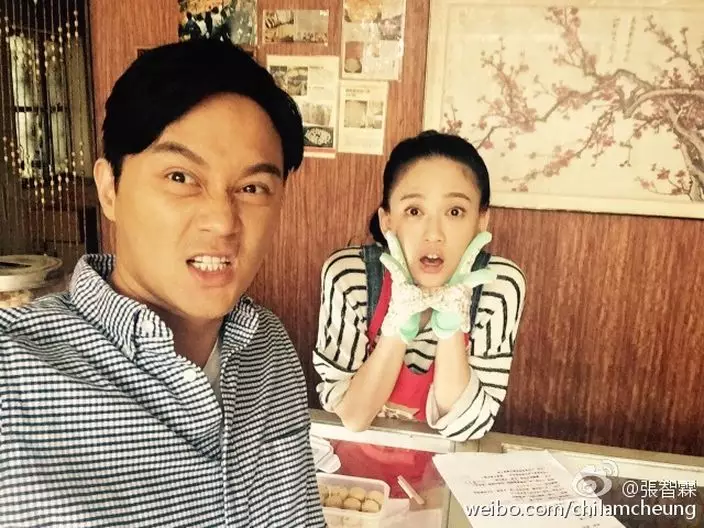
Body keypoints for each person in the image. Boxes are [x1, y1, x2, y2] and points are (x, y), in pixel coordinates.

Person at [0, 39, 325, 527]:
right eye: (180, 177)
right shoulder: (13, 377)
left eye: (252, 188)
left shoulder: (269, 350)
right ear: (110, 189)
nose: (223, 221)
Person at [314, 131, 526, 442]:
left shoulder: (497, 285)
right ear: (387, 220)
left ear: (481, 221)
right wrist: (398, 323)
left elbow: (465, 428)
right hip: (354, 464)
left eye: (455, 212)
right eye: (414, 211)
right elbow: (354, 417)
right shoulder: (350, 276)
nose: (434, 233)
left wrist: (452, 321)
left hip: (443, 465)